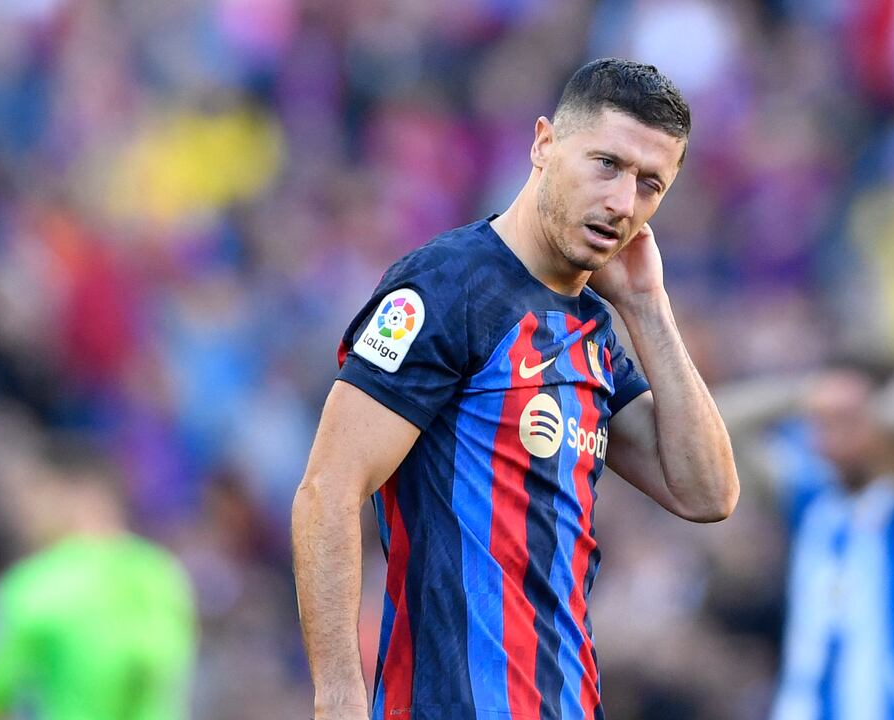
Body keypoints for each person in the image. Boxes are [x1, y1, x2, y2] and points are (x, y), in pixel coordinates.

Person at [291, 58, 739, 720]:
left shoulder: (591, 330)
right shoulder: (446, 287)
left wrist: (647, 306)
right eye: (607, 164)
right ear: (544, 144)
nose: (623, 203)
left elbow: (706, 492)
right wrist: (338, 700)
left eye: (650, 185)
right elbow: (327, 492)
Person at [717, 361, 894, 720]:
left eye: (847, 420)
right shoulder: (812, 501)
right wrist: (802, 393)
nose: (830, 433)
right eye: (824, 421)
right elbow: (717, 425)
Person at [0, 438, 197, 720]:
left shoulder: (39, 585)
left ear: (72, 495)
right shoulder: (159, 573)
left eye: (36, 493)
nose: (24, 513)